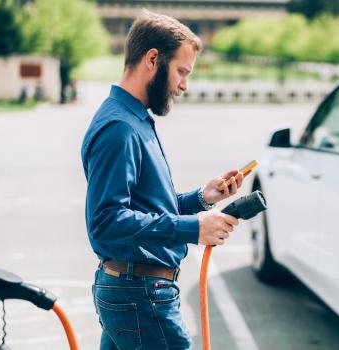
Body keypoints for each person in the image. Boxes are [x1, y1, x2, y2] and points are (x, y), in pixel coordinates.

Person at [80, 10, 243, 350]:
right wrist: (193, 228)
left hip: (131, 289)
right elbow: (106, 221)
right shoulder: (120, 128)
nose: (184, 84)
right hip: (140, 294)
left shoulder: (134, 119)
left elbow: (143, 207)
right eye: (182, 71)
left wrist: (201, 198)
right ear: (152, 59)